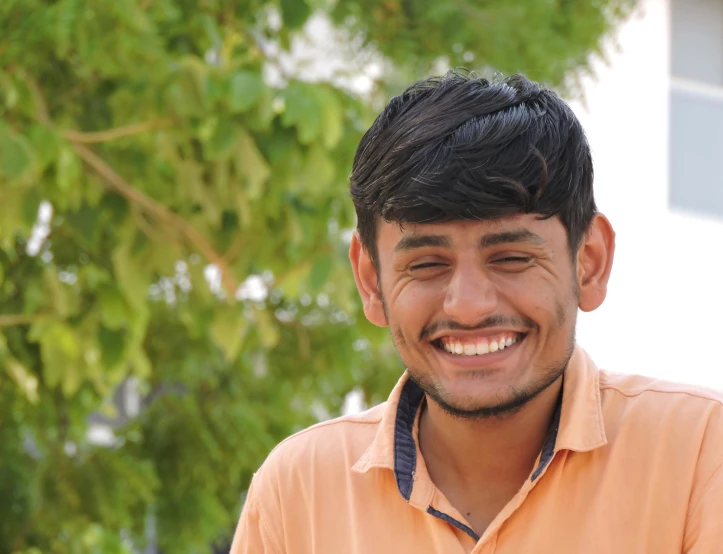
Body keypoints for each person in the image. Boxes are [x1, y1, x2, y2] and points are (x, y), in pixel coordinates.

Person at [230, 72, 723, 553]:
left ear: (589, 263)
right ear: (370, 279)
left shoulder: (700, 454)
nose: (468, 306)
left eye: (511, 258)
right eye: (426, 264)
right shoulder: (298, 492)